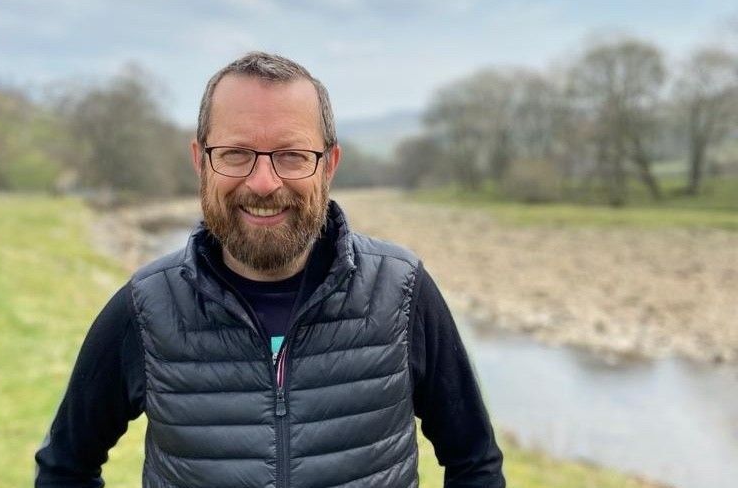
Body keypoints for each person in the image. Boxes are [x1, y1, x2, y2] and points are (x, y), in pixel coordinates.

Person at [35, 52, 505, 488]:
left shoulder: (401, 291)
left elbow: (474, 464)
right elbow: (65, 468)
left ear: (329, 165)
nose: (263, 183)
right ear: (200, 161)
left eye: (292, 155)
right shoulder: (145, 307)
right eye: (236, 153)